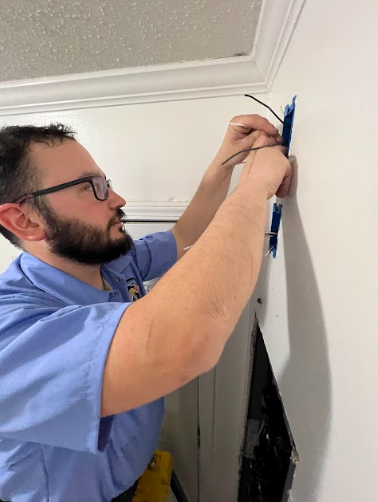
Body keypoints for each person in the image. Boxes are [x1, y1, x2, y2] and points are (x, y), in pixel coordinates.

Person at [0, 115, 292, 502]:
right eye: (92, 188)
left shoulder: (110, 261)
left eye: (106, 183)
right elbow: (180, 342)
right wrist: (256, 187)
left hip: (132, 479)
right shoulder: (12, 332)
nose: (118, 200)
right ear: (24, 219)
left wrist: (227, 161)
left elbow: (185, 235)